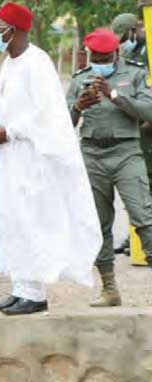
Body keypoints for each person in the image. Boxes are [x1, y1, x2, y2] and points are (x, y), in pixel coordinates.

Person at [0, 2, 102, 315]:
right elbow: (8, 106)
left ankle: (34, 294)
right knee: (12, 220)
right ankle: (20, 287)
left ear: (17, 30)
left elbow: (46, 115)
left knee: (30, 221)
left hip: (31, 157)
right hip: (11, 157)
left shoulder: (37, 63)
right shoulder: (11, 63)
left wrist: (10, 130)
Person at [67, 28, 152, 306]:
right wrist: (78, 106)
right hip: (92, 153)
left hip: (126, 151)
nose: (99, 61)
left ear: (116, 53)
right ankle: (109, 288)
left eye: (105, 56)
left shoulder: (136, 73)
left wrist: (114, 94)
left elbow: (147, 111)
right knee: (98, 224)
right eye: (95, 56)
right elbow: (62, 125)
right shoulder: (80, 78)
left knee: (143, 216)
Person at [113, 13, 152, 198]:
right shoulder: (130, 51)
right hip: (135, 126)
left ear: (135, 29)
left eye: (125, 36)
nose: (123, 42)